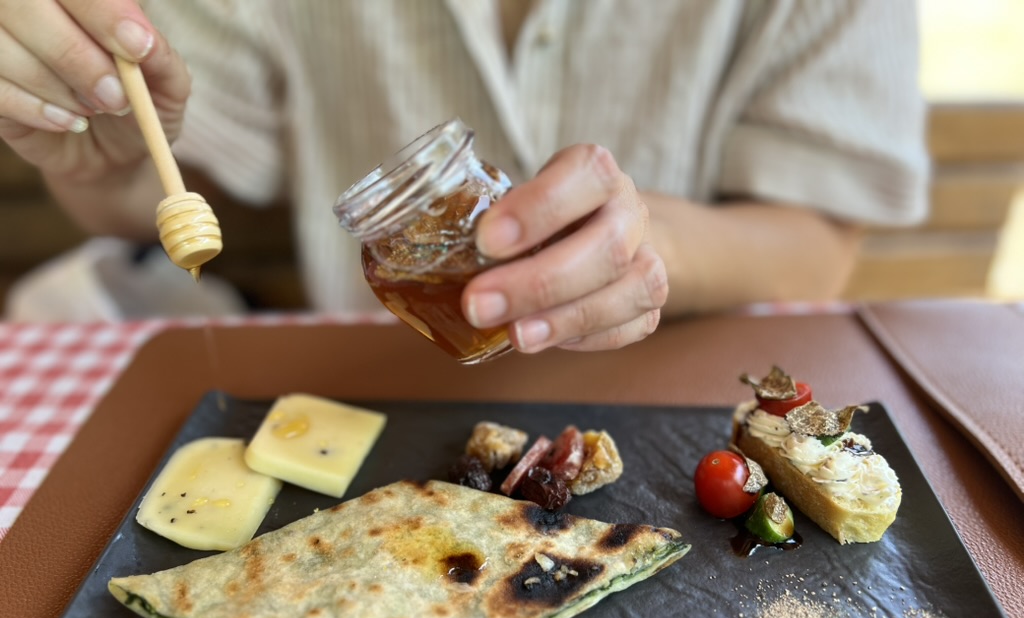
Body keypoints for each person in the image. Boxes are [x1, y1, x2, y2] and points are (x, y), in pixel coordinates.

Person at [0, 0, 928, 353]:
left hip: (682, 389)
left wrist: (649, 250)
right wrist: (105, 149)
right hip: (387, 402)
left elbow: (817, 243)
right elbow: (145, 184)